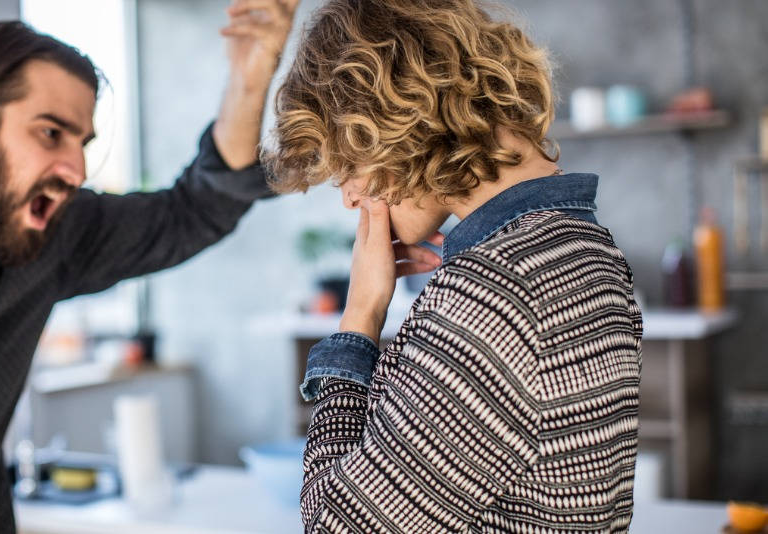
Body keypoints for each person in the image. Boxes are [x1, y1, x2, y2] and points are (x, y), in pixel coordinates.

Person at [0, 1, 298, 532]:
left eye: (82, 142)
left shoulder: (53, 238)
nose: (76, 169)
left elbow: (195, 210)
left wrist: (250, 76)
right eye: (50, 133)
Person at [267, 0, 642, 532]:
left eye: (347, 166)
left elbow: (334, 525)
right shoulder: (587, 246)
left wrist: (359, 319)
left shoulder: (494, 297)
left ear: (392, 120)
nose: (350, 198)